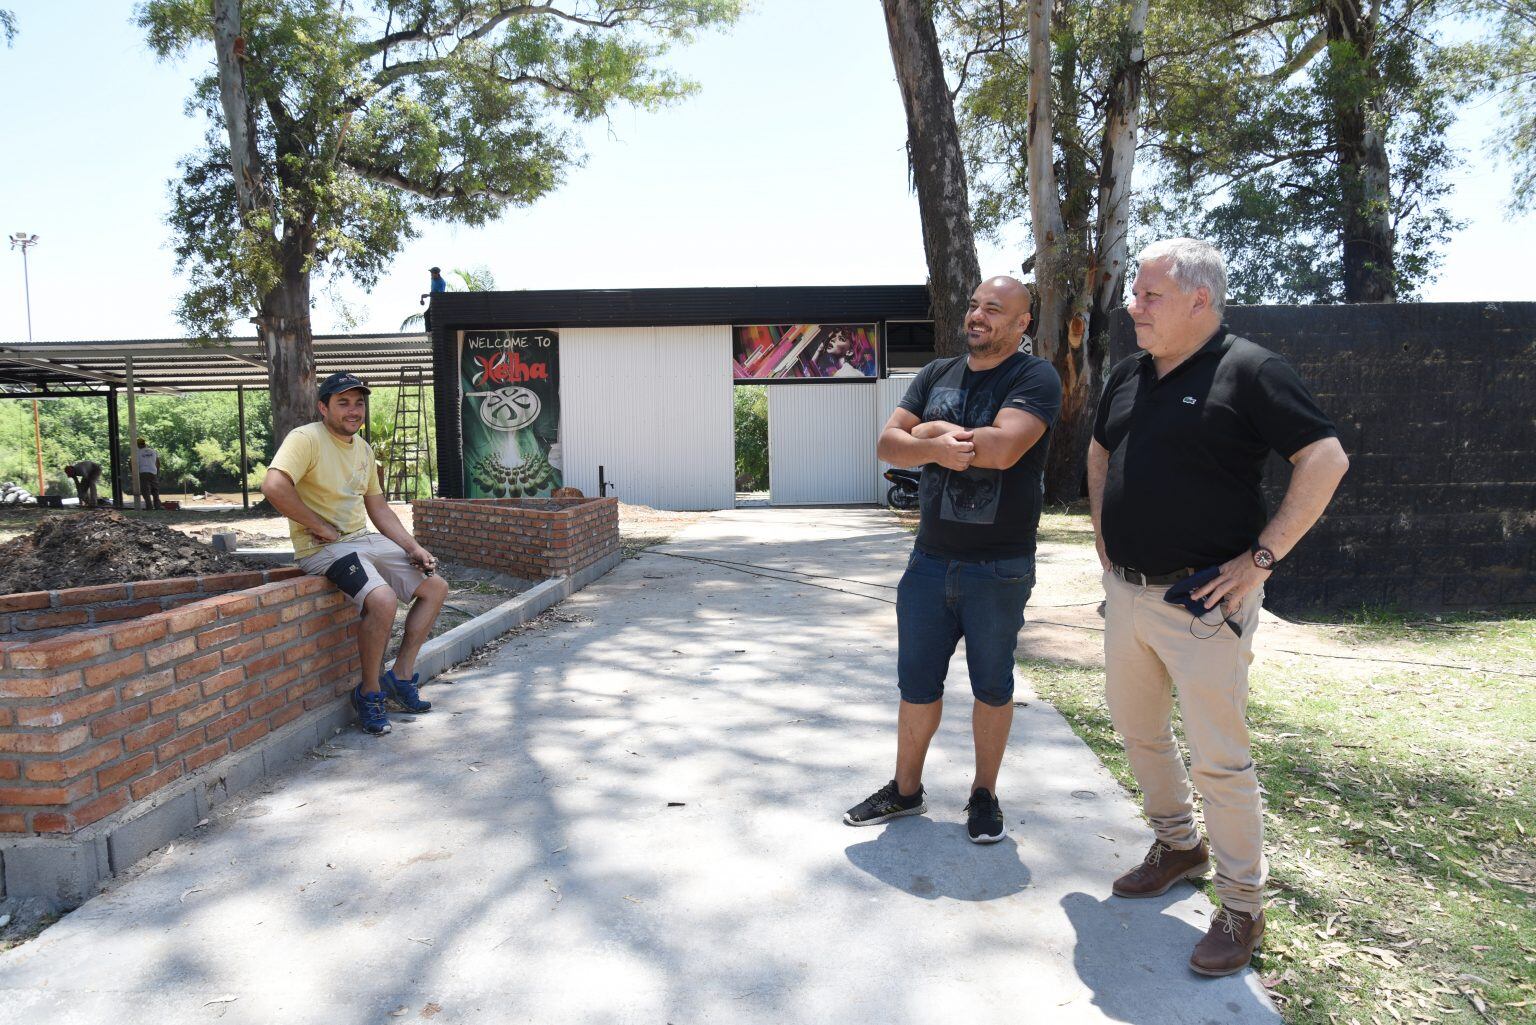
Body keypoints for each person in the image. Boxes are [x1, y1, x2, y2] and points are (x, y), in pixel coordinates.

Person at [1087, 238, 1349, 977]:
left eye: (1148, 295)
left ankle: (1241, 905)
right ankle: (1177, 844)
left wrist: (1261, 558)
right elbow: (1101, 451)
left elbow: (1325, 458)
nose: (1132, 306)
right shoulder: (1128, 376)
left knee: (1220, 762)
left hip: (1205, 602)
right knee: (1139, 733)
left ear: (1200, 298)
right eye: (1135, 294)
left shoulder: (1251, 370)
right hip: (1128, 592)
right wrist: (1106, 542)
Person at [845, 276, 1061, 843]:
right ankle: (905, 790)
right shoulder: (936, 373)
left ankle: (984, 795)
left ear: (1021, 324)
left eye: (994, 309)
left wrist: (934, 434)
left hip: (999, 567)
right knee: (916, 684)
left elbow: (1003, 448)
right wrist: (937, 447)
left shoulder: (1033, 377)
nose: (978, 316)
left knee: (993, 685)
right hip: (929, 563)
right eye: (973, 306)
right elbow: (888, 445)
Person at [260, 372, 450, 737]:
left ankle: (400, 676)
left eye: (359, 402)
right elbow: (273, 485)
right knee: (381, 600)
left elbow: (378, 509)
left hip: (361, 539)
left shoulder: (362, 449)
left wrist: (413, 547)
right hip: (323, 548)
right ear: (323, 407)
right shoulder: (306, 438)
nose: (353, 410)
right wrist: (317, 525)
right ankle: (369, 692)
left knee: (436, 588)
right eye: (343, 402)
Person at [136, 437, 164, 510]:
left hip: (143, 472)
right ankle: (157, 506)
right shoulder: (153, 451)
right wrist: (157, 472)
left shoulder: (137, 452)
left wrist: (134, 473)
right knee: (155, 489)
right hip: (153, 472)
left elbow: (131, 463)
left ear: (138, 445)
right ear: (145, 444)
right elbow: (158, 463)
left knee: (145, 491)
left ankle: (149, 506)